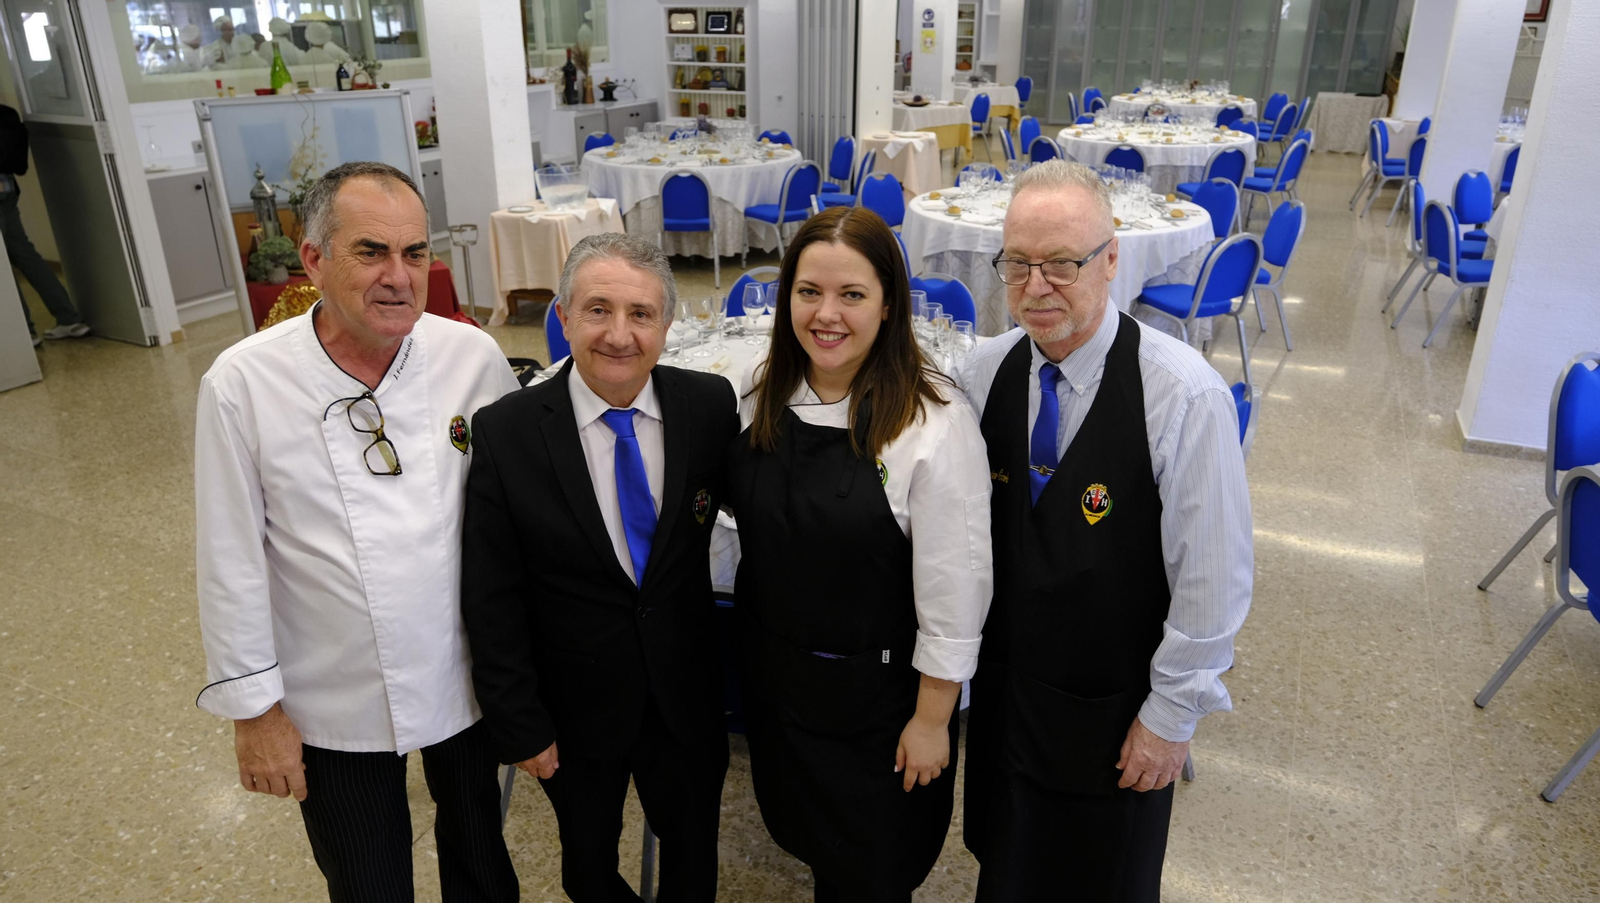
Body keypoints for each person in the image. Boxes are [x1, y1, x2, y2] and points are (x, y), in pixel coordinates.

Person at [193, 161, 519, 902]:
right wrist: (255, 713)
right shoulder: (243, 383)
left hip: (467, 672)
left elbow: (517, 517)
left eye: (415, 253)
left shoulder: (472, 355)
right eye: (371, 251)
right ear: (313, 259)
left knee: (483, 861)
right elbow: (229, 559)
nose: (399, 277)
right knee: (368, 881)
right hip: (330, 691)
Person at [956, 159, 1253, 901]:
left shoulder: (1183, 397)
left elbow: (1212, 585)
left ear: (1112, 257)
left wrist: (1170, 718)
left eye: (1062, 263)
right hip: (1006, 711)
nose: (1036, 286)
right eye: (1017, 264)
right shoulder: (982, 373)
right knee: (1006, 870)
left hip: (1115, 722)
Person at [727, 205, 994, 902]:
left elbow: (956, 588)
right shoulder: (764, 394)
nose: (827, 314)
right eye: (809, 291)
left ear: (888, 306)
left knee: (871, 873)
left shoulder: (934, 423)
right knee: (813, 845)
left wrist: (934, 719)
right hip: (781, 690)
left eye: (852, 295)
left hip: (880, 708)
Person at [462, 233, 737, 903]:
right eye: (597, 310)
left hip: (686, 698)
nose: (620, 334)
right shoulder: (508, 431)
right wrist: (519, 720)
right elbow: (490, 593)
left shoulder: (707, 406)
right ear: (562, 316)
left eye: (641, 313)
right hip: (573, 708)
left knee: (694, 853)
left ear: (667, 325)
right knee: (587, 860)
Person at [0, 104, 88, 347]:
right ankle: (69, 318)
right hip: (6, 192)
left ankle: (25, 332)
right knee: (25, 255)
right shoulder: (5, 113)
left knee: (4, 267)